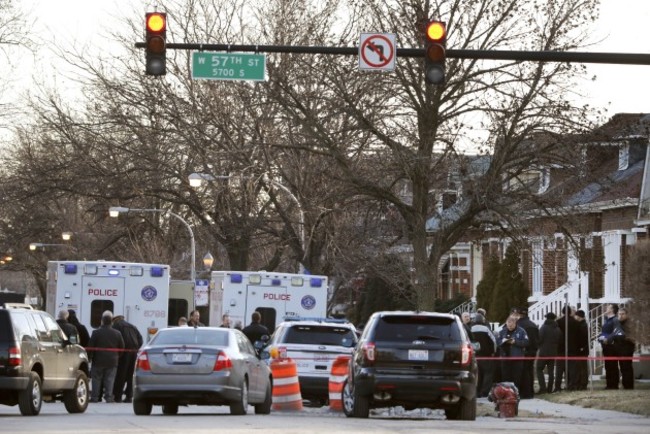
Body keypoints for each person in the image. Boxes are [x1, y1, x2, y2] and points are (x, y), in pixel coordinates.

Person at [88, 311, 124, 403]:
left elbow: (90, 346)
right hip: (112, 361)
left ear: (102, 321)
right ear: (111, 322)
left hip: (98, 360)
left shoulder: (95, 332)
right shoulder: (117, 333)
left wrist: (90, 358)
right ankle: (108, 397)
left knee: (96, 379)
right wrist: (117, 356)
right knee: (110, 379)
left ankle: (95, 397)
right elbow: (122, 347)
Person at [112, 315, 143, 403]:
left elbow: (116, 339)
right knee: (130, 374)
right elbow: (140, 339)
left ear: (115, 320)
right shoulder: (132, 326)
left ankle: (118, 396)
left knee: (121, 374)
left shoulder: (116, 326)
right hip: (133, 352)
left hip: (123, 353)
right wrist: (136, 348)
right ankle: (129, 396)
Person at [497, 315, 529, 393]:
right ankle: (506, 393)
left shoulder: (521, 331)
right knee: (505, 376)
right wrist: (503, 341)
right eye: (508, 325)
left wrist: (515, 342)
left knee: (517, 377)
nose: (510, 327)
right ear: (506, 323)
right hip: (505, 358)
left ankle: (516, 392)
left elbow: (526, 342)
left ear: (515, 323)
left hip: (517, 358)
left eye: (512, 325)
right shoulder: (502, 331)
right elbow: (497, 342)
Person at [471, 313, 497, 397]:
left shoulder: (470, 329)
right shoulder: (486, 329)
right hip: (487, 355)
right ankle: (484, 392)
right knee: (488, 374)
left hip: (475, 355)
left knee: (477, 374)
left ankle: (477, 391)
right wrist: (493, 351)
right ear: (483, 320)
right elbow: (493, 341)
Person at [516, 307, 539, 399]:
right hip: (532, 351)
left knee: (522, 372)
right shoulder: (533, 325)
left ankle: (524, 392)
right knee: (530, 371)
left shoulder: (518, 325)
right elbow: (538, 339)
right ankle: (530, 391)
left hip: (522, 351)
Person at [554, 305, 578, 392]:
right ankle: (572, 385)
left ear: (563, 312)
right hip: (573, 348)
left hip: (560, 348)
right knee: (572, 369)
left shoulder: (558, 322)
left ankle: (557, 386)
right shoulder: (575, 322)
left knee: (559, 369)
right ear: (570, 312)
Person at [536, 312, 560, 394]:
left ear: (547, 318)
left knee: (539, 369)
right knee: (551, 371)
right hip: (553, 352)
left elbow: (539, 339)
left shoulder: (543, 327)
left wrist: (539, 345)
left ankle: (543, 388)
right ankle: (549, 389)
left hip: (543, 352)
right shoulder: (557, 328)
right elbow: (560, 339)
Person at [598, 303, 620, 389]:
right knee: (608, 366)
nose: (606, 308)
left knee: (612, 365)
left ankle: (614, 385)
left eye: (608, 307)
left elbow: (616, 332)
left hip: (612, 346)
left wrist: (608, 339)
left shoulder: (615, 320)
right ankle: (609, 384)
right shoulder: (607, 320)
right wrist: (601, 338)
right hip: (606, 346)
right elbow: (604, 332)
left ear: (612, 310)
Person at [612, 307, 635, 389]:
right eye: (619, 314)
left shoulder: (630, 324)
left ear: (627, 315)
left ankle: (628, 385)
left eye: (622, 314)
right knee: (622, 367)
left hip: (627, 349)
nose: (620, 316)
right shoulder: (617, 323)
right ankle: (625, 384)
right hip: (619, 348)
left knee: (627, 367)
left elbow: (631, 337)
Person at [573, 310, 590, 390]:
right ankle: (581, 383)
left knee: (582, 368)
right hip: (581, 349)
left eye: (576, 315)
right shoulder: (581, 324)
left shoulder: (582, 325)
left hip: (582, 350)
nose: (574, 317)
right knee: (580, 368)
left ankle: (583, 384)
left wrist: (581, 347)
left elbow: (583, 338)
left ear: (579, 316)